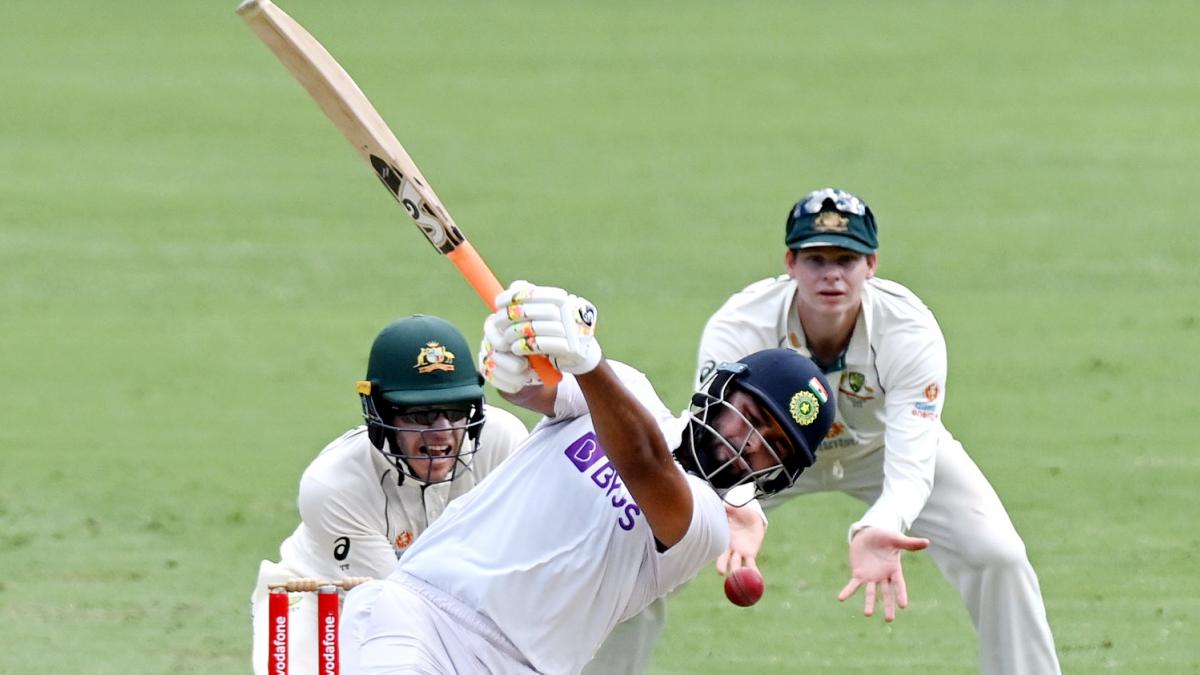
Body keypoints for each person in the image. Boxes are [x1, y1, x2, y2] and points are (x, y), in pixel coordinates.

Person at [337, 281, 841, 674]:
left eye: (774, 444)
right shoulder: (629, 390)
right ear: (722, 389)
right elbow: (532, 388)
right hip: (423, 613)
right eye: (751, 415)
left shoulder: (705, 526)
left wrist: (588, 360)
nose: (751, 441)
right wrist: (522, 343)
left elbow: (644, 461)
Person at [695, 188, 1061, 674]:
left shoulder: (909, 329)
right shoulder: (738, 329)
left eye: (846, 259)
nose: (831, 274)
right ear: (790, 262)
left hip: (882, 448)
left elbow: (913, 459)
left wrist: (881, 523)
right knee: (643, 543)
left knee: (1000, 555)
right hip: (769, 458)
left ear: (871, 264)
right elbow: (717, 446)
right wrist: (738, 504)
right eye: (815, 259)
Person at [249, 314, 529, 675]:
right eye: (421, 415)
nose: (442, 433)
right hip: (324, 608)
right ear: (380, 413)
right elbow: (400, 613)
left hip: (454, 605)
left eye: (456, 410)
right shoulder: (334, 485)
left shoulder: (503, 441)